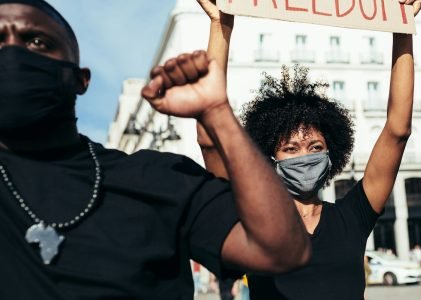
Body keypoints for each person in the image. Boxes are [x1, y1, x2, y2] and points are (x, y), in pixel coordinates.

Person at [0, 0, 312, 298]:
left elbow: (281, 249)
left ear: (81, 79)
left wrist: (217, 111)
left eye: (37, 42)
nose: (12, 53)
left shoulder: (160, 178)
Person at [194, 0, 421, 298]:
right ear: (270, 159)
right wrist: (220, 25)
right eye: (290, 149)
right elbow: (209, 138)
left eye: (315, 146)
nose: (305, 157)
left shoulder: (353, 215)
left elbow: (397, 131)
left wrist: (402, 26)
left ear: (331, 153)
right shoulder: (253, 220)